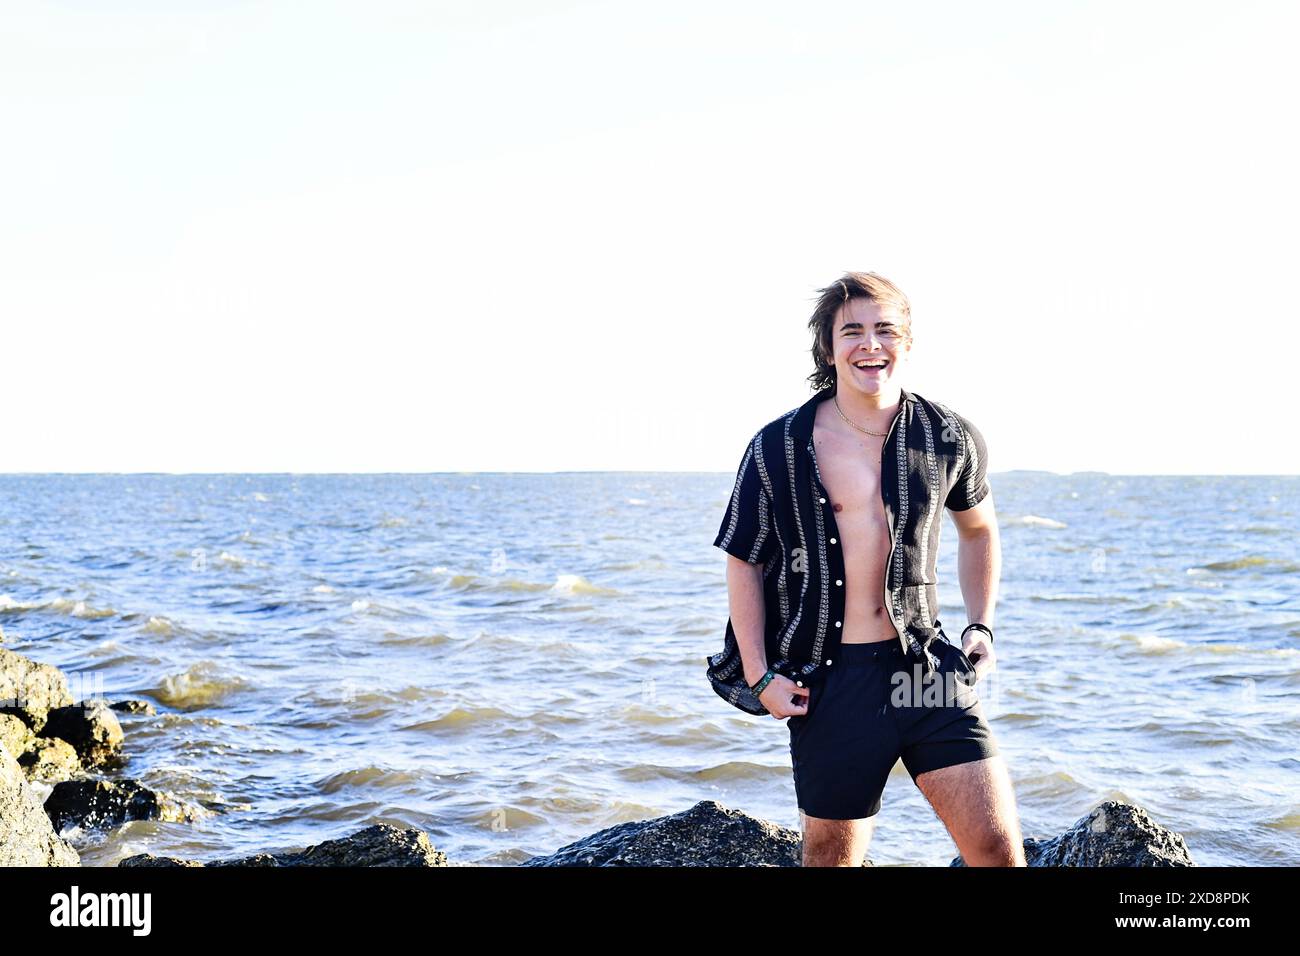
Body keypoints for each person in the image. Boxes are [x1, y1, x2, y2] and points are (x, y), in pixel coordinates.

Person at [707, 271, 1026, 866]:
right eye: (852, 331)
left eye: (885, 330)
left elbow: (979, 530)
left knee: (998, 850)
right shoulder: (777, 446)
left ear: (906, 341)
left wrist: (981, 626)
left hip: (926, 670)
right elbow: (742, 560)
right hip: (832, 682)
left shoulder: (948, 436)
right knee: (831, 857)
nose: (870, 345)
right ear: (828, 348)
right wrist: (758, 675)